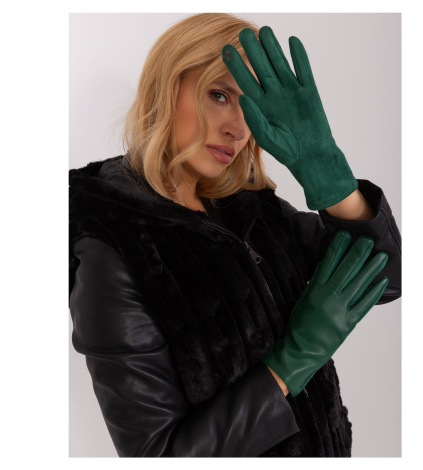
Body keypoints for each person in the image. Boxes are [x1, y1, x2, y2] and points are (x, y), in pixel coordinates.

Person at [69, 13, 401, 457]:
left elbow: (387, 279)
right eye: (219, 95)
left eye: (251, 108)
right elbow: (159, 455)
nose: (239, 129)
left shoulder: (252, 209)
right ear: (165, 88)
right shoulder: (113, 247)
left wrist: (330, 176)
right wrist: (292, 361)